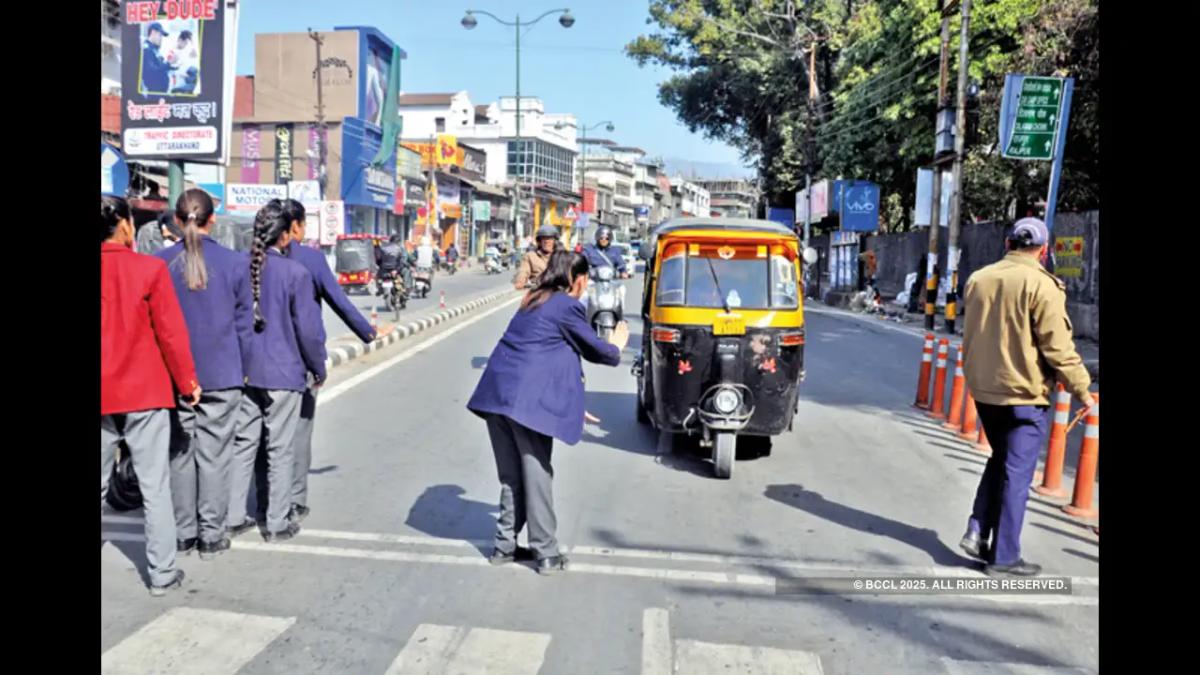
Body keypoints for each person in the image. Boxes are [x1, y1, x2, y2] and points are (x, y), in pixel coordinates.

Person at [467, 251, 628, 575]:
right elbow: (595, 350)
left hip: (497, 397)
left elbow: (551, 356)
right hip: (526, 404)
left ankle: (504, 547)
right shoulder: (567, 305)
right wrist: (617, 346)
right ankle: (547, 554)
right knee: (538, 475)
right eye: (585, 282)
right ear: (577, 279)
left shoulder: (533, 300)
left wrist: (573, 402)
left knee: (513, 478)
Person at [958, 217, 1094, 577]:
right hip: (1023, 394)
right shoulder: (1042, 285)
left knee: (1002, 458)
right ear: (1044, 250)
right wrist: (1084, 390)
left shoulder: (979, 279)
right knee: (1017, 474)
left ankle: (977, 528)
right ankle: (1003, 558)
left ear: (1008, 243)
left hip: (984, 392)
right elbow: (1059, 349)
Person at [101, 195, 201, 596]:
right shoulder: (149, 268)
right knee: (154, 485)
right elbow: (171, 334)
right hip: (144, 392)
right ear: (126, 225)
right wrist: (188, 383)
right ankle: (161, 575)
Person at [154, 189, 253, 561]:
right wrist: (244, 370)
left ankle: (183, 534)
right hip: (223, 374)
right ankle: (212, 535)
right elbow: (245, 326)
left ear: (176, 221)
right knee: (215, 456)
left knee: (180, 454)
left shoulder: (159, 263)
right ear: (213, 219)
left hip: (173, 376)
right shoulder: (234, 263)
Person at [282, 199, 390, 524]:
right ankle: (295, 500)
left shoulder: (253, 257)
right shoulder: (310, 259)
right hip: (300, 360)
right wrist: (368, 333)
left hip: (258, 364)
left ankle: (267, 500)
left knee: (267, 435)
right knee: (299, 434)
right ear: (298, 226)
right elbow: (339, 302)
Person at [226, 200, 327, 542]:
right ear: (285, 236)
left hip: (245, 372)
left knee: (244, 444)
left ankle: (235, 516)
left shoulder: (238, 267)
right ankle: (277, 522)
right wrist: (318, 366)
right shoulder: (295, 273)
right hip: (285, 374)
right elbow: (309, 332)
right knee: (280, 449)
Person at [514, 225, 559, 290]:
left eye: (549, 238)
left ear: (555, 241)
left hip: (557, 293)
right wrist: (520, 281)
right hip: (538, 292)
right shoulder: (530, 256)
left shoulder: (562, 256)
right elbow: (523, 270)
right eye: (543, 238)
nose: (546, 241)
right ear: (539, 242)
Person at [140, 22, 172, 94]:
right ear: (153, 32)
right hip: (154, 93)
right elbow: (152, 71)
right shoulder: (147, 49)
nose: (161, 39)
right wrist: (168, 64)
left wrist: (171, 65)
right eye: (160, 35)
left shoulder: (154, 49)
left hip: (161, 92)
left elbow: (160, 65)